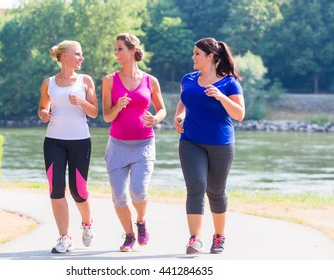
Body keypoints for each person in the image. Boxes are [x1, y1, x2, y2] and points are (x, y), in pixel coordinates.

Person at [173, 37, 245, 254]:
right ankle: (194, 239)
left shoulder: (229, 82)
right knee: (195, 188)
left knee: (216, 191)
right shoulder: (188, 79)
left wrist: (221, 96)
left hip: (220, 144)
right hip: (190, 141)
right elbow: (184, 101)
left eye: (197, 54)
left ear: (210, 56)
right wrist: (179, 116)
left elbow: (239, 114)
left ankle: (219, 236)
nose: (192, 57)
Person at [102, 33, 166, 252]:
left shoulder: (150, 80)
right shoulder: (109, 80)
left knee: (138, 191)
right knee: (119, 197)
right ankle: (129, 236)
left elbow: (162, 109)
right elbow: (107, 117)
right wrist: (118, 106)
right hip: (117, 146)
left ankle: (141, 221)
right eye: (115, 49)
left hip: (144, 144)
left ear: (132, 51)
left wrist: (156, 118)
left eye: (119, 48)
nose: (116, 53)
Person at [38, 40, 99, 253]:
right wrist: (43, 114)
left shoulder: (85, 80)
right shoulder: (49, 83)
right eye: (78, 54)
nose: (81, 58)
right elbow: (42, 108)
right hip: (53, 140)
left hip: (80, 140)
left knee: (78, 190)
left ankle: (87, 223)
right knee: (56, 189)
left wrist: (81, 102)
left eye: (81, 55)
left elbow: (94, 112)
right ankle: (64, 237)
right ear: (64, 57)